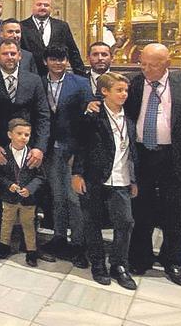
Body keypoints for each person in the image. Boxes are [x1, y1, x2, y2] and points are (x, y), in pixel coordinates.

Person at [122, 43, 181, 286]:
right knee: (141, 208)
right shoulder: (134, 83)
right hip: (142, 156)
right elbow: (108, 95)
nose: (146, 69)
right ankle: (140, 257)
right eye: (143, 63)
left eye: (153, 65)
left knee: (178, 211)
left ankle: (174, 261)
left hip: (176, 157)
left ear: (168, 64)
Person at [0, 39, 51, 260]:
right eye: (5, 54)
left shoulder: (34, 80)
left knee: (30, 192)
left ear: (20, 56)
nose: (10, 57)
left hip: (27, 147)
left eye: (13, 53)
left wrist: (39, 148)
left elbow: (43, 115)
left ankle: (29, 241)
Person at [73, 72, 138, 290]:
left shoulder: (129, 115)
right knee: (92, 222)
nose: (124, 94)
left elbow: (132, 150)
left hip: (121, 178)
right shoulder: (93, 115)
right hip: (94, 177)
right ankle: (98, 263)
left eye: (126, 90)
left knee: (126, 222)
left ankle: (119, 264)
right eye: (119, 90)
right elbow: (81, 146)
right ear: (104, 92)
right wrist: (77, 174)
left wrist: (134, 179)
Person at [41, 45, 92, 268]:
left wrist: (79, 152)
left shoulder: (80, 83)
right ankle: (59, 237)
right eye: (53, 59)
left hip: (72, 149)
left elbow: (87, 120)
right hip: (49, 149)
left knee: (74, 199)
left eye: (62, 59)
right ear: (46, 62)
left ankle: (78, 243)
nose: (58, 63)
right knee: (57, 196)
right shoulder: (39, 82)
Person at [0, 119, 44, 267]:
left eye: (27, 134)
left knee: (28, 225)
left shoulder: (33, 155)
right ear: (10, 134)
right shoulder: (3, 153)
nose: (23, 137)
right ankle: (3, 247)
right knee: (6, 223)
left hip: (28, 200)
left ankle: (31, 251)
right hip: (9, 198)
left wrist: (30, 189)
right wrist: (9, 185)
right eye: (19, 133)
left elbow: (41, 177)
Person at [20, 0, 86, 76]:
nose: (42, 7)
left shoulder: (61, 26)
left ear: (51, 8)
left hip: (56, 76)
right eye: (39, 4)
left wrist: (82, 77)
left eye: (46, 5)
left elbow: (73, 52)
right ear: (32, 6)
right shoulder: (22, 26)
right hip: (30, 75)